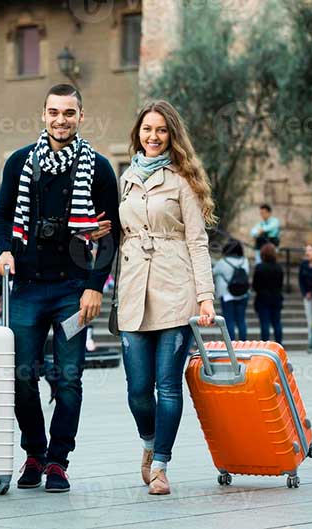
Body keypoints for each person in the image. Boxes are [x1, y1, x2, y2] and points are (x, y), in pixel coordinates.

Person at [0, 83, 120, 493]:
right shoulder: (18, 162)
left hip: (72, 289)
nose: (60, 120)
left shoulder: (99, 168)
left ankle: (58, 462)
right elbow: (1, 217)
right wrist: (4, 250)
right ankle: (34, 452)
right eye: (54, 113)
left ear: (80, 117)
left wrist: (94, 286)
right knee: (20, 376)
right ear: (43, 115)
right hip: (26, 287)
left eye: (69, 113)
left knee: (68, 378)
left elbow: (109, 234)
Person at [114, 100, 215, 496]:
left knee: (168, 385)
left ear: (172, 135)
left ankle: (160, 466)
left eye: (161, 130)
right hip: (135, 288)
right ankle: (148, 442)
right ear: (138, 133)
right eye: (147, 129)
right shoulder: (127, 177)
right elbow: (126, 231)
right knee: (138, 389)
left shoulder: (182, 179)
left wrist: (205, 297)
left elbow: (198, 241)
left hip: (176, 289)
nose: (153, 137)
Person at [212, 239, 249, 340]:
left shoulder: (222, 262)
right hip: (242, 293)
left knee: (229, 320)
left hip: (227, 294)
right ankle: (243, 343)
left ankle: (231, 344)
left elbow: (213, 272)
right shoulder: (244, 261)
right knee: (241, 320)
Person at [252, 242, 284, 343]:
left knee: (264, 324)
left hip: (262, 299)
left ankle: (265, 346)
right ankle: (279, 344)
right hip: (276, 298)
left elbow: (255, 285)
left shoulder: (259, 267)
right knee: (277, 323)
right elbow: (280, 284)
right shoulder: (279, 268)